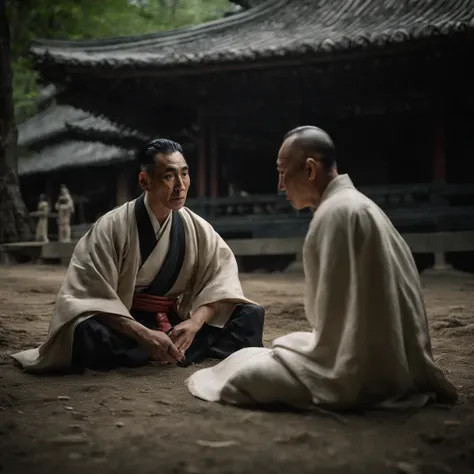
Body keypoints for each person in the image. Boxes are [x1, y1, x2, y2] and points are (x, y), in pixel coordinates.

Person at [186, 126, 457, 410]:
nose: (280, 185)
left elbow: (325, 320)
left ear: (311, 169)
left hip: (361, 369)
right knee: (255, 353)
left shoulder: (336, 214)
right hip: (396, 357)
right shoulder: (358, 205)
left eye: (282, 172)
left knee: (246, 376)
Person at [12, 139, 265, 373]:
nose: (180, 185)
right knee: (84, 332)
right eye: (168, 176)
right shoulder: (111, 226)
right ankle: (161, 349)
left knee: (250, 314)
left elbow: (222, 278)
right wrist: (142, 333)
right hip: (125, 322)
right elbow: (87, 293)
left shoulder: (196, 227)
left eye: (184, 173)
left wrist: (195, 323)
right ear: (145, 181)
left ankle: (166, 347)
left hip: (174, 323)